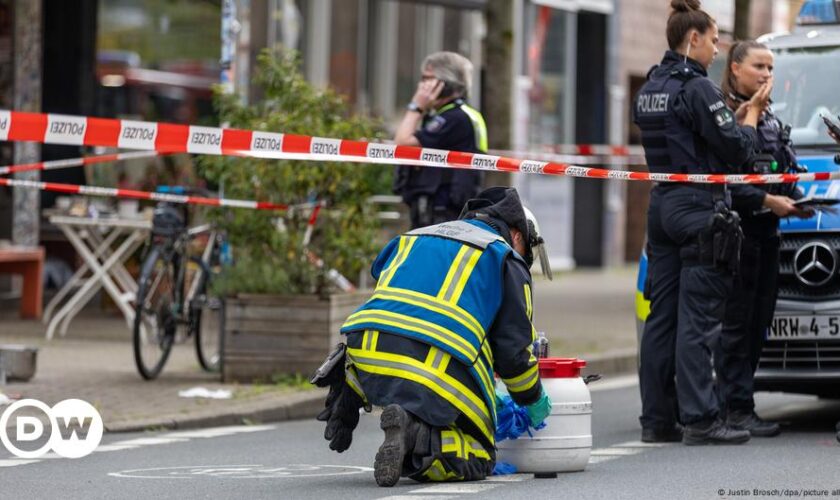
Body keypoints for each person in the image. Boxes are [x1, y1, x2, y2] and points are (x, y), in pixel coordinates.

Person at [311, 187, 553, 486]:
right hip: (433, 360)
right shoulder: (505, 258)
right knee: (479, 455)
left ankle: (360, 389)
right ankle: (418, 437)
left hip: (363, 349)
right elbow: (513, 354)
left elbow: (383, 279)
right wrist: (531, 397)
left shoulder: (413, 236)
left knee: (415, 363)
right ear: (518, 235)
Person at [634, 0, 771, 446]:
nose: (717, 51)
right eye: (714, 41)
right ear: (693, 39)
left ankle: (658, 419)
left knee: (662, 318)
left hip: (662, 208)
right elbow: (737, 151)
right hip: (699, 209)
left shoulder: (651, 86)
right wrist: (749, 119)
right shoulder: (698, 88)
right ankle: (701, 417)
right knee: (698, 318)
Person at [715, 40, 813, 439]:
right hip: (739, 234)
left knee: (758, 325)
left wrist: (800, 197)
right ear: (735, 68)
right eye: (759, 67)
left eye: (771, 69)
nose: (767, 75)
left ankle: (742, 403)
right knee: (735, 325)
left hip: (770, 236)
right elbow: (730, 179)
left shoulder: (772, 119)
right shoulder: (725, 114)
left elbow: (784, 169)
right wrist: (766, 200)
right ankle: (733, 407)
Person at [393, 51, 487, 229]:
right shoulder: (451, 114)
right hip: (439, 210)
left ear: (446, 83)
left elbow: (402, 144)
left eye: (428, 80)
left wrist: (416, 106)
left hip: (443, 212)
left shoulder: (454, 118)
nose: (422, 86)